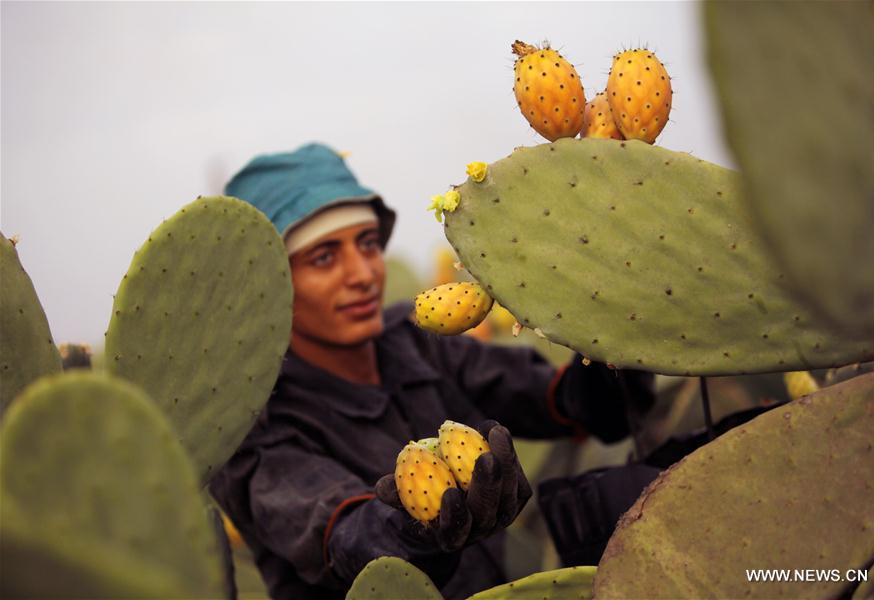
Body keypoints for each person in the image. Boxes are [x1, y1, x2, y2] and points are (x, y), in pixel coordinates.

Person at [209, 143, 655, 599]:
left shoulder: (412, 337)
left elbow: (570, 404)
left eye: (367, 243)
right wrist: (413, 530)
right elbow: (346, 538)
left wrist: (609, 329)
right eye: (324, 257)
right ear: (269, 286)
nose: (363, 273)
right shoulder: (250, 425)